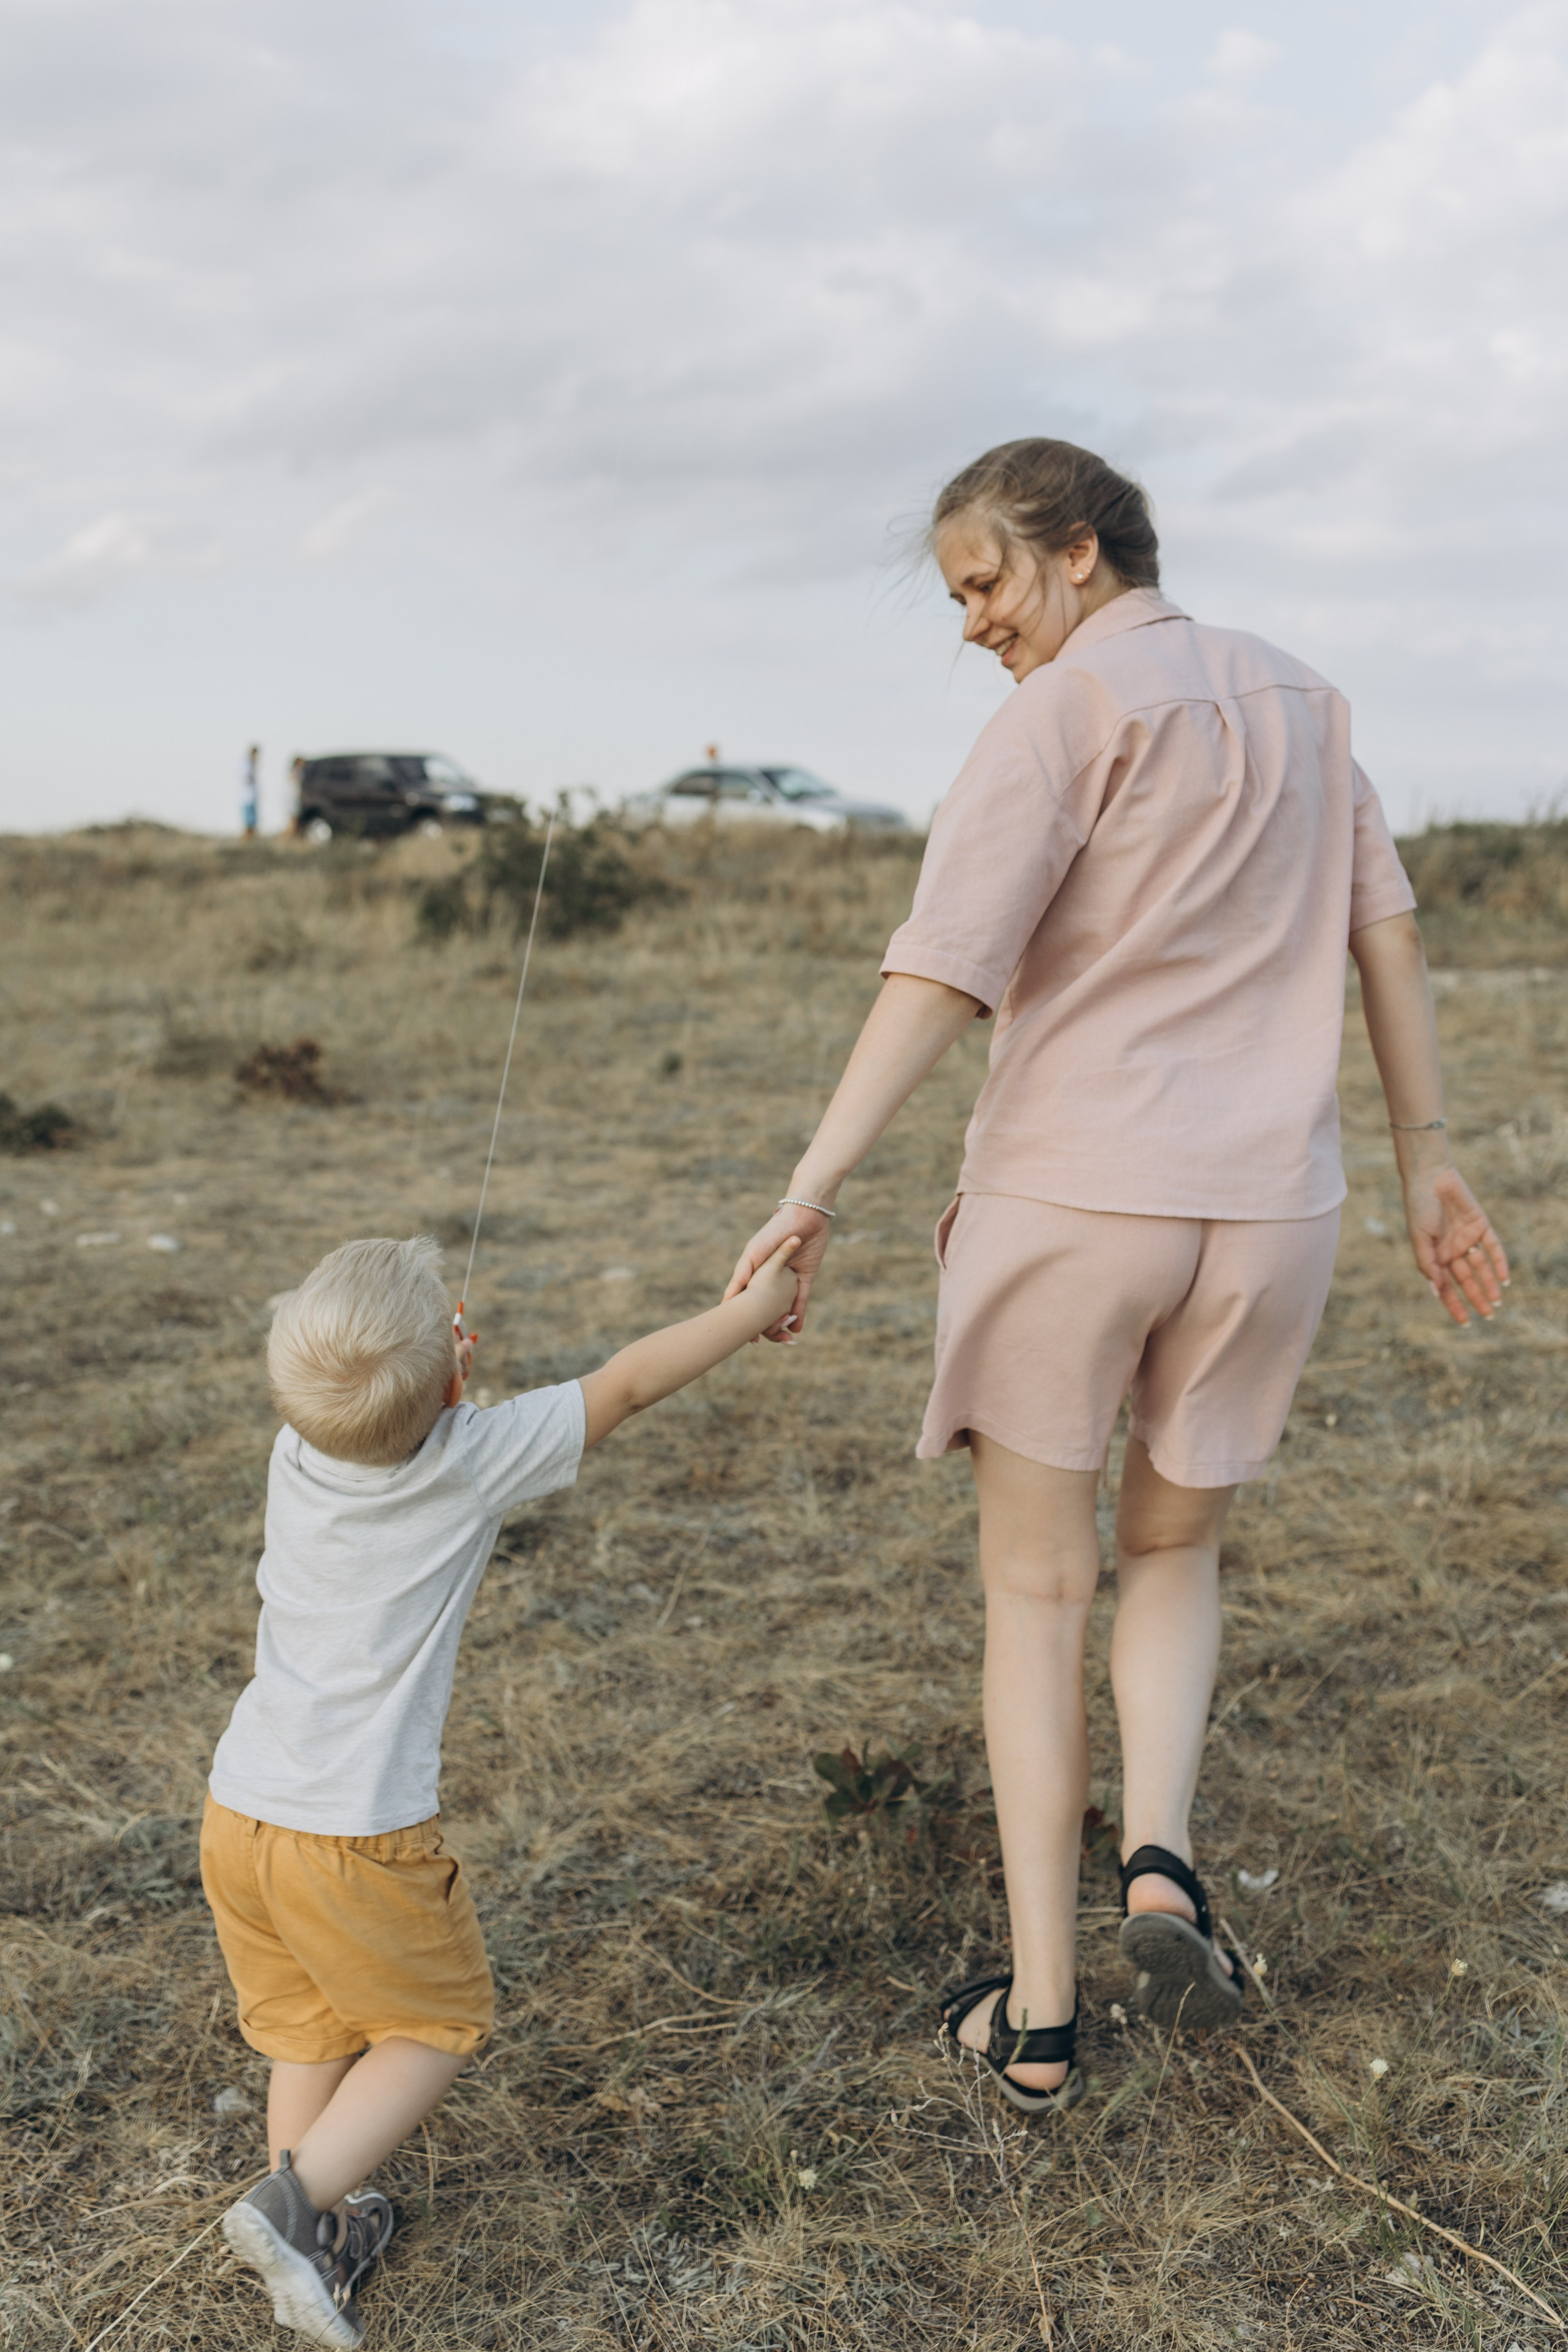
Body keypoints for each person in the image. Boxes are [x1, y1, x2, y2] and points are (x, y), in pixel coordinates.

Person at [725, 437, 1507, 2115]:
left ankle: (1045, 2020)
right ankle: (1161, 1861)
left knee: (1036, 1594)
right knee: (1175, 1547)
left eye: (986, 581)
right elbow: (1389, 936)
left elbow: (941, 970)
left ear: (1080, 552)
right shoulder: (1312, 705)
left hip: (1078, 1197)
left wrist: (812, 1185)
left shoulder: (1062, 717)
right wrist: (1429, 1153)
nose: (974, 624)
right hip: (1268, 1211)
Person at [205, 1230, 800, 2346]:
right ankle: (288, 2206)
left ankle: (318, 2233)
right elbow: (627, 1382)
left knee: (312, 2030)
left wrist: (437, 1375)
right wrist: (751, 1308)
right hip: (357, 1838)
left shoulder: (298, 1446)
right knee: (434, 2025)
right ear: (457, 1376)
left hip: (240, 1811)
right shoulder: (468, 1457)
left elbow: (374, 1397)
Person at [241, 744, 261, 838]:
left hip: (252, 797)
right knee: (249, 822)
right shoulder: (246, 764)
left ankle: (251, 839)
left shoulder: (251, 764)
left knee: (253, 822)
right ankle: (247, 839)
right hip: (247, 797)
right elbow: (246, 779)